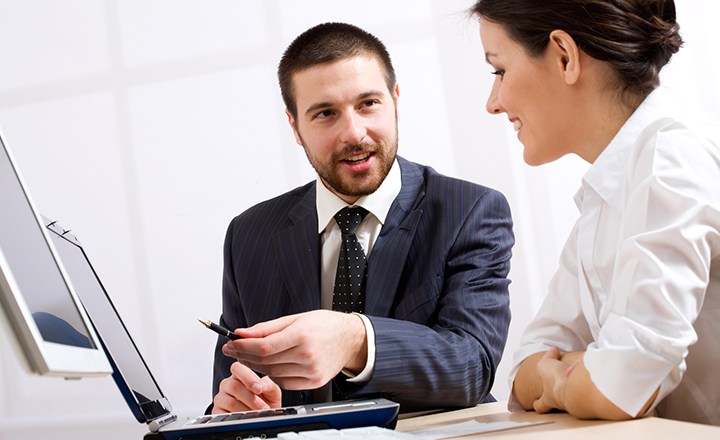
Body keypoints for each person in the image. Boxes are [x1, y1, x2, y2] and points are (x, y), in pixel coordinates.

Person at [209, 22, 514, 413]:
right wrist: (232, 411)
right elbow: (229, 391)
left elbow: (473, 366)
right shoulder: (248, 236)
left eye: (368, 103)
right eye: (325, 113)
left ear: (396, 101)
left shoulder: (469, 210)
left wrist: (354, 339)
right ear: (295, 127)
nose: (353, 133)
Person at [471, 0, 720, 425]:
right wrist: (583, 372)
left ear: (564, 56)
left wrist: (557, 381)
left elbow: (620, 385)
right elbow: (523, 371)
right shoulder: (607, 192)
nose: (493, 102)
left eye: (500, 70)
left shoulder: (670, 161)